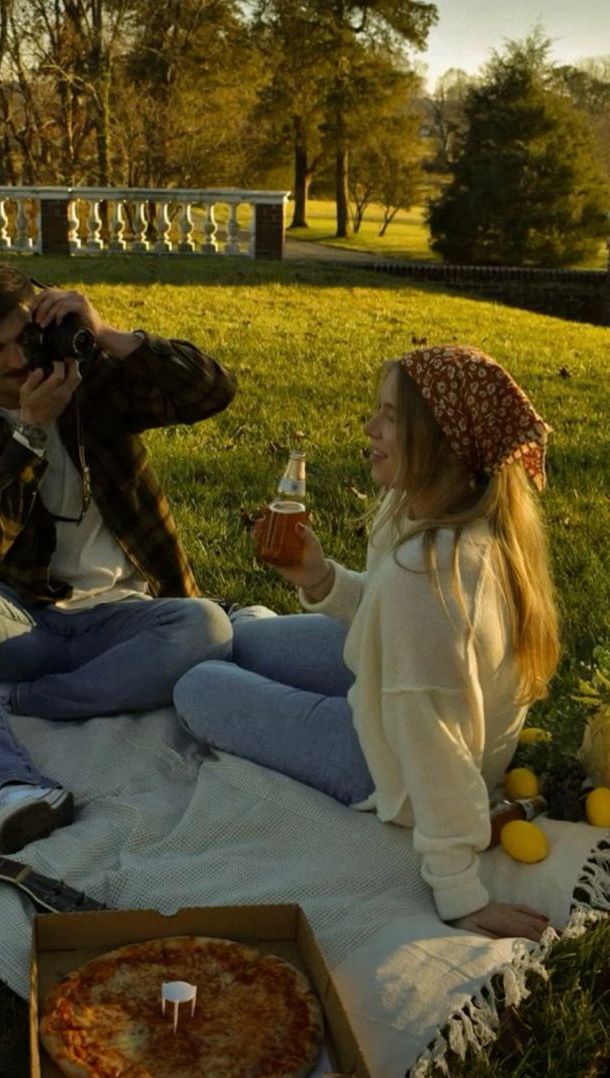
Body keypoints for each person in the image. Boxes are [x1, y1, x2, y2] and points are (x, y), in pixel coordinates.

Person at [173, 345, 560, 941]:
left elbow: (432, 734)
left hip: (393, 766)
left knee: (198, 686)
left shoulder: (429, 573)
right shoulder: (433, 512)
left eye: (390, 417)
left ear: (443, 442)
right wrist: (320, 580)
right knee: (242, 638)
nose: (369, 428)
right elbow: (390, 628)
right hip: (405, 704)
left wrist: (459, 889)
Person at [0, 263, 236, 854]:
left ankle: (12, 699)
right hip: (27, 617)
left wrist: (106, 333)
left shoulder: (93, 379)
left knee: (207, 625)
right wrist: (29, 434)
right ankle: (9, 784)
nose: (17, 362)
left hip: (126, 616)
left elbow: (213, 391)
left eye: (25, 337)